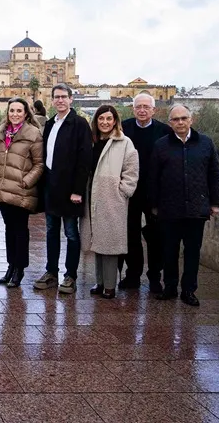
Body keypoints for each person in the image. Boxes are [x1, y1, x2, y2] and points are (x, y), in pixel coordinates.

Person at [150, 104, 219, 307]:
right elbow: (153, 177)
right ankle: (170, 287)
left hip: (196, 209)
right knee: (169, 251)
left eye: (184, 118)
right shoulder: (161, 145)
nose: (180, 122)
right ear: (170, 123)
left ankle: (189, 290)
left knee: (192, 252)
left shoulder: (206, 143)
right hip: (169, 208)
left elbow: (215, 174)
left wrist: (216, 202)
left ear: (191, 120)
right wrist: (154, 204)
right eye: (176, 119)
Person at [33, 83, 92, 294]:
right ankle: (51, 272)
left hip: (69, 190)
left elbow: (84, 160)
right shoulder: (50, 124)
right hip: (51, 187)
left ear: (70, 99)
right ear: (52, 99)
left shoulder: (79, 124)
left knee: (70, 233)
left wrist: (77, 190)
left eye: (63, 97)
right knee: (51, 232)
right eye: (56, 97)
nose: (60, 100)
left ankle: (70, 276)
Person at [81, 105, 139, 299]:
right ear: (96, 121)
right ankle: (99, 282)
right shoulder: (91, 141)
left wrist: (123, 192)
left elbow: (131, 170)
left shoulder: (124, 142)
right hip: (93, 197)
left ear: (115, 121)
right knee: (97, 243)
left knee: (110, 245)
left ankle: (110, 285)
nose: (105, 122)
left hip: (112, 199)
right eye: (101, 119)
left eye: (108, 119)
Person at [118, 93, 171, 292]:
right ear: (133, 109)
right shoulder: (124, 128)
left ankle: (155, 277)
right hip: (130, 192)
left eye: (146, 107)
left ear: (153, 110)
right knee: (130, 235)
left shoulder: (164, 131)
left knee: (156, 236)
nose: (142, 110)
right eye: (138, 107)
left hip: (154, 193)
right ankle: (133, 275)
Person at [0, 98, 44, 288]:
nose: (15, 114)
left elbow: (39, 164)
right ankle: (10, 265)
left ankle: (20, 269)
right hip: (4, 189)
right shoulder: (2, 132)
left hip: (21, 191)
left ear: (26, 113)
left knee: (20, 230)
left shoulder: (33, 133)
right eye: (11, 110)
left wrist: (26, 181)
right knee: (8, 229)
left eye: (19, 111)